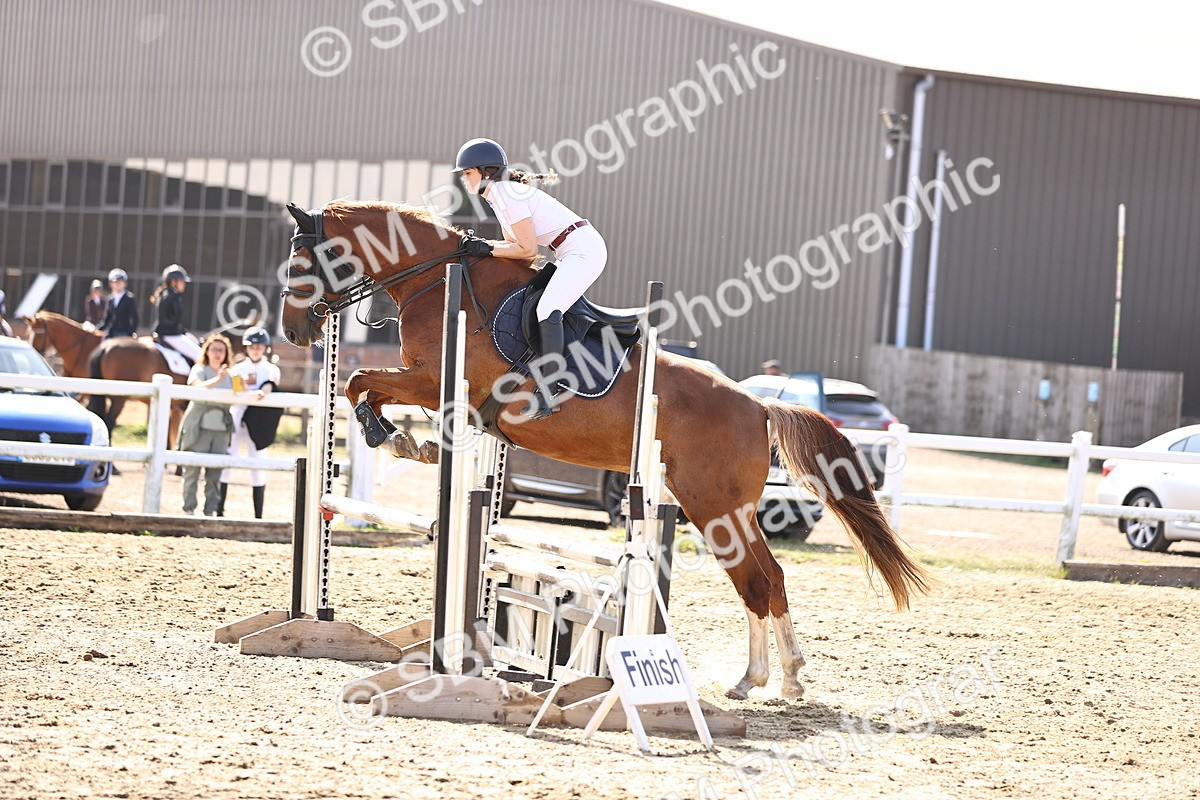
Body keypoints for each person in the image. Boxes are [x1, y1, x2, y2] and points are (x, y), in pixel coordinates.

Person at [452, 137, 608, 419]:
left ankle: (550, 389)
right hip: (570, 250)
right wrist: (484, 247)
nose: (464, 180)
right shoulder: (498, 195)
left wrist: (485, 248)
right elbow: (521, 255)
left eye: (467, 173)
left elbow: (525, 249)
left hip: (583, 250)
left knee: (547, 309)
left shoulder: (506, 194)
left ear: (486, 172)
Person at [217, 326, 283, 519]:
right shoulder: (237, 368)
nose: (255, 350)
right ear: (246, 348)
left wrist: (260, 392)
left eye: (259, 346)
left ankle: (258, 514)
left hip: (259, 420)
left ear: (265, 348)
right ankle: (220, 510)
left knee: (258, 463)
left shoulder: (271, 369)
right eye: (252, 346)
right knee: (228, 459)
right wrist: (245, 388)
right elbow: (237, 391)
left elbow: (271, 384)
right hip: (237, 417)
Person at [178, 334, 234, 516]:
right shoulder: (199, 369)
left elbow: (240, 394)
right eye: (214, 349)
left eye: (221, 350)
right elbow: (198, 387)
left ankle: (210, 509)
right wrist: (217, 380)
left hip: (220, 427)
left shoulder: (230, 376)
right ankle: (189, 508)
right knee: (192, 468)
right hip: (198, 424)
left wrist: (248, 386)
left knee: (215, 472)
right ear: (207, 351)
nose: (218, 353)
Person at [151, 264, 202, 363]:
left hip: (172, 332)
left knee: (195, 341)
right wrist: (179, 330)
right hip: (170, 334)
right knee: (199, 355)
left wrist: (182, 331)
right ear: (174, 282)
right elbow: (167, 321)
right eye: (182, 281)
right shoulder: (171, 297)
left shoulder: (172, 295)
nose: (184, 284)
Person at [99, 268, 139, 338]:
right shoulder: (110, 299)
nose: (117, 284)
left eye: (120, 282)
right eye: (115, 282)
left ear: (125, 283)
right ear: (111, 284)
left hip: (124, 333)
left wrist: (130, 333)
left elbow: (135, 318)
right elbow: (107, 320)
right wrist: (96, 329)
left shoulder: (129, 298)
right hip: (111, 333)